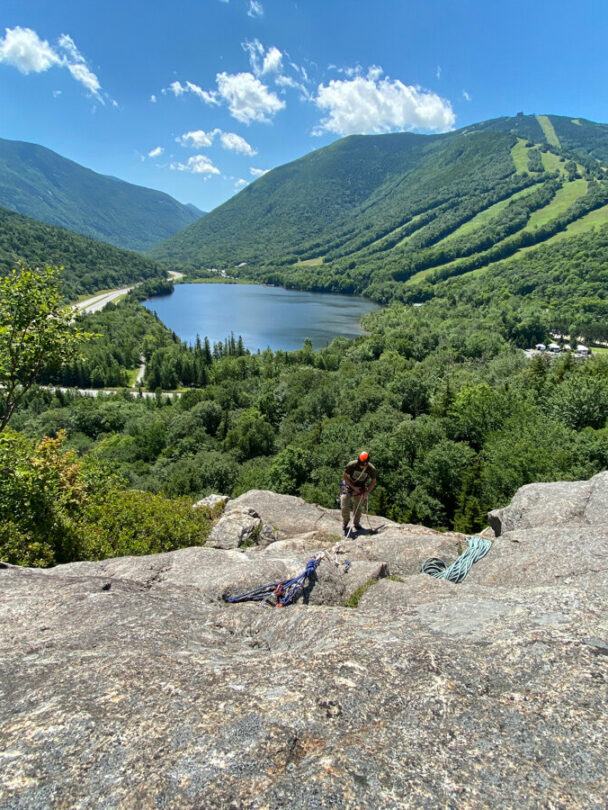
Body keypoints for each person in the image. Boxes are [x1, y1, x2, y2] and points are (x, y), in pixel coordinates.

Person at [341, 451, 377, 536]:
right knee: (344, 502)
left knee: (358, 506)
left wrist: (366, 493)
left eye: (363, 464)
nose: (361, 466)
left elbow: (373, 481)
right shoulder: (352, 465)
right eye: (360, 463)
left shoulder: (371, 469)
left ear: (367, 463)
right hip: (349, 485)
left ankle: (356, 523)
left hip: (361, 487)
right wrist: (353, 488)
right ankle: (346, 521)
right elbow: (344, 476)